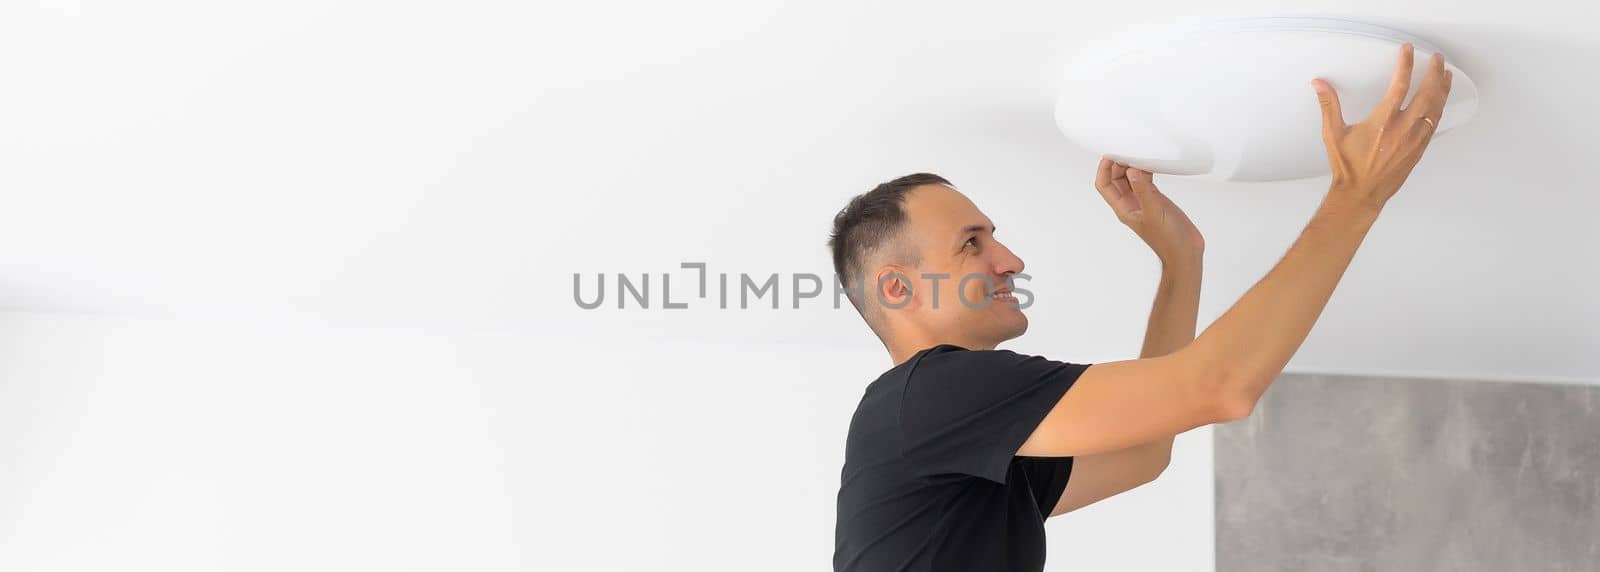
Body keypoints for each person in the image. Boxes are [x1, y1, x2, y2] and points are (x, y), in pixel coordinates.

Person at [830, 43, 1454, 571]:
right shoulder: (930, 394)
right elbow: (1221, 388)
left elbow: (1143, 453)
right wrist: (1356, 195)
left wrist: (1183, 259)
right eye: (972, 243)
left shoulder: (945, 428)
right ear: (896, 289)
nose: (1010, 260)